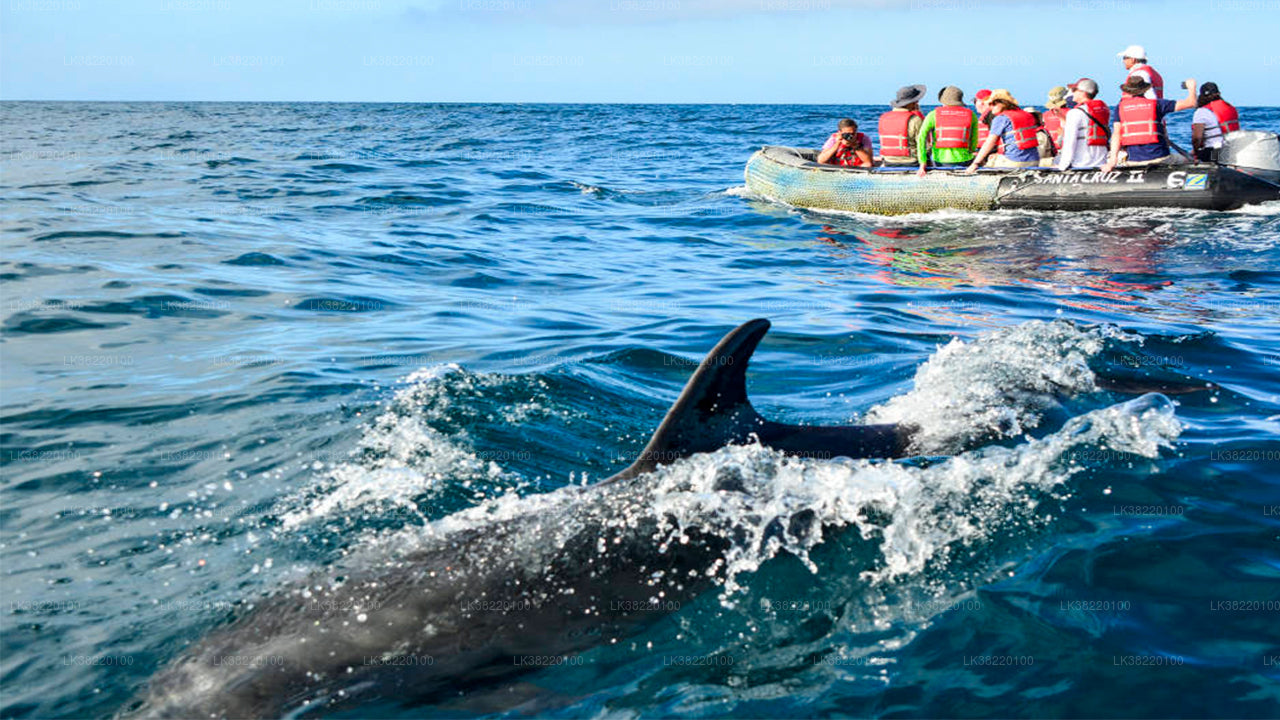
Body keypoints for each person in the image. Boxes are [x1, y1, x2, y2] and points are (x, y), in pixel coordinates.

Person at [1101, 76, 1198, 173]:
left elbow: (1116, 134)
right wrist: (1191, 87)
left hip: (1134, 161)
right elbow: (1191, 103)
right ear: (1145, 90)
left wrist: (1112, 162)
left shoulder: (1120, 108)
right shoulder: (1158, 104)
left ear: (1128, 91)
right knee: (1187, 160)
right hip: (1160, 159)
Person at [963, 89, 1042, 173]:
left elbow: (989, 142)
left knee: (987, 163)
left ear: (1002, 103)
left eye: (993, 104)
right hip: (1034, 161)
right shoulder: (1027, 115)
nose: (990, 107)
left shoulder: (1001, 118)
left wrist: (976, 163)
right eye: (989, 104)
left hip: (1014, 162)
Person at [916, 86, 978, 177]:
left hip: (940, 161)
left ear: (943, 101)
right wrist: (972, 150)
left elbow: (921, 138)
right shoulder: (972, 115)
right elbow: (974, 141)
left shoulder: (933, 115)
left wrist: (922, 163)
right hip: (964, 160)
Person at [1055, 78, 1111, 170]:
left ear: (1083, 92)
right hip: (1101, 163)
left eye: (1074, 90)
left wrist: (1062, 166)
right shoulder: (1103, 110)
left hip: (1081, 164)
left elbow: (1070, 141)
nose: (1071, 93)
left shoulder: (1075, 113)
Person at [878, 84, 927, 166]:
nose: (917, 102)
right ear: (910, 103)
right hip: (911, 162)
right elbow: (922, 144)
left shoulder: (883, 118)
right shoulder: (915, 119)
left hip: (888, 161)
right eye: (915, 101)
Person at [1191, 82, 1241, 162]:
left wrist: (1195, 153)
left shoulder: (1201, 112)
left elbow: (1197, 138)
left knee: (1186, 159)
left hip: (1215, 152)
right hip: (1232, 151)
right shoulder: (1230, 108)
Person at [974, 88, 1001, 157]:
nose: (974, 105)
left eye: (975, 101)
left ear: (982, 103)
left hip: (987, 152)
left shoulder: (988, 117)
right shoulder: (998, 115)